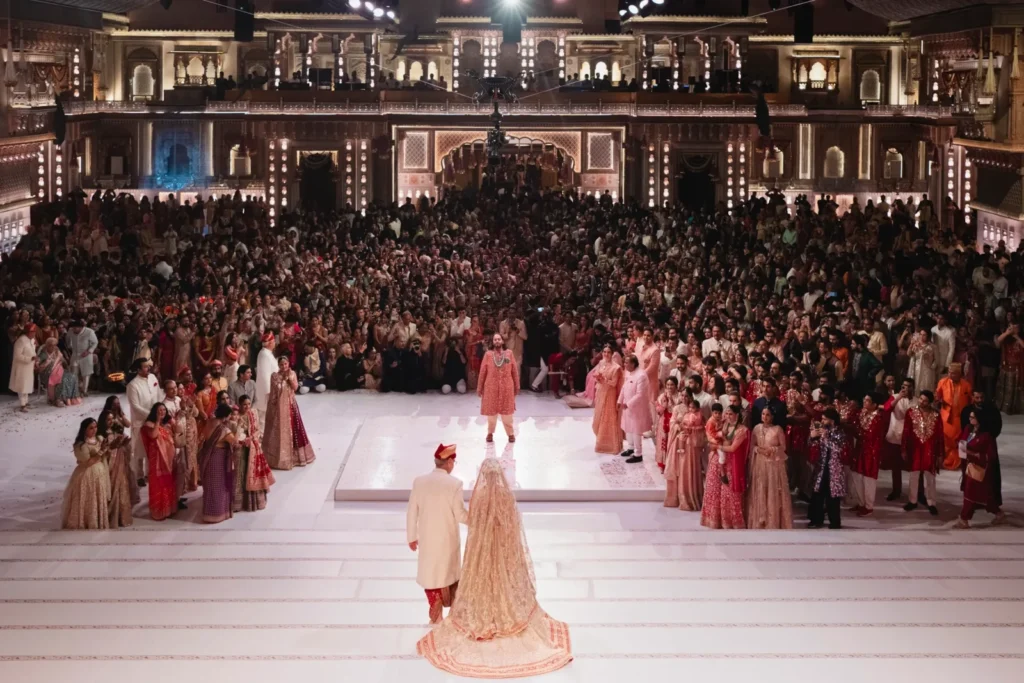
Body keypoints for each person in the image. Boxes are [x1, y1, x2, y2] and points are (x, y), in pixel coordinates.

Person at [416, 458, 572, 678]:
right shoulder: (506, 496)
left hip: (483, 555)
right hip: (502, 551)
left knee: (483, 582)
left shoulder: (479, 498)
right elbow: (513, 526)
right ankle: (506, 615)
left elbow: (475, 524)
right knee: (504, 584)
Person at [406, 444, 469, 624]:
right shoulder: (454, 484)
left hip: (427, 538)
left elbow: (412, 511)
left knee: (431, 574)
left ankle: (435, 612)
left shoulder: (419, 481)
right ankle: (451, 617)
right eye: (453, 461)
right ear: (449, 462)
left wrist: (412, 536)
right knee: (447, 574)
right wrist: (479, 519)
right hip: (447, 539)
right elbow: (460, 515)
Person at [262, 355, 316, 470]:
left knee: (295, 430)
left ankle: (297, 457)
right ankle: (279, 458)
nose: (283, 366)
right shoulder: (274, 376)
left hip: (290, 406)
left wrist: (289, 379)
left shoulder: (292, 374)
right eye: (281, 364)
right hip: (278, 408)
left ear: (288, 364)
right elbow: (273, 393)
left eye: (285, 364)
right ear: (278, 365)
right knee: (278, 431)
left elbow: (295, 387)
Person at [700, 405, 748, 529]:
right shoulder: (724, 425)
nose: (727, 416)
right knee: (713, 489)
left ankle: (730, 522)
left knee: (729, 493)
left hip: (732, 464)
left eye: (730, 414)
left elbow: (732, 448)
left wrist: (718, 447)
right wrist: (714, 445)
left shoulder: (742, 430)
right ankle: (714, 520)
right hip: (718, 461)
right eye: (726, 414)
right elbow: (712, 438)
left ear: (737, 415)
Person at [956, 409, 1006, 529]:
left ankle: (964, 519)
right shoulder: (968, 429)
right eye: (970, 417)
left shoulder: (987, 436)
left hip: (980, 469)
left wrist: (973, 454)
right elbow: (962, 441)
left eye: (972, 417)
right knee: (984, 495)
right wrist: (961, 448)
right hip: (968, 466)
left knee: (970, 494)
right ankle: (998, 513)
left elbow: (991, 456)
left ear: (979, 419)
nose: (970, 419)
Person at [60, 418, 112, 530]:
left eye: (95, 427)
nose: (94, 430)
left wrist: (109, 449)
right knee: (87, 499)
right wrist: (102, 450)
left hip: (100, 474)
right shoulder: (80, 445)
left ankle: (97, 522)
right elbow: (88, 462)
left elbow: (105, 456)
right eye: (91, 428)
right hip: (86, 475)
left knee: (96, 498)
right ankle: (84, 523)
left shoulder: (99, 439)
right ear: (84, 429)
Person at [747, 406, 792, 529]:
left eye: (767, 415)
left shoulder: (778, 430)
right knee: (760, 489)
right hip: (760, 463)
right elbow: (752, 446)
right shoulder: (756, 428)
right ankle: (759, 520)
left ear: (772, 417)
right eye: (763, 414)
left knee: (772, 490)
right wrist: (758, 450)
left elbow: (783, 447)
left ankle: (772, 521)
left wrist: (772, 449)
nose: (764, 417)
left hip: (773, 465)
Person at [901, 390, 943, 515]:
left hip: (930, 450)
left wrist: (940, 454)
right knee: (913, 476)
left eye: (925, 400)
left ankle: (931, 503)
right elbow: (906, 432)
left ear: (930, 402)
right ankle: (912, 501)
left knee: (930, 477)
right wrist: (903, 449)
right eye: (920, 399)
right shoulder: (911, 412)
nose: (922, 402)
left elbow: (940, 436)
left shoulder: (936, 415)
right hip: (914, 449)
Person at [232, 395, 275, 511]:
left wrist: (250, 439)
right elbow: (233, 434)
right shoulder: (235, 416)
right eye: (244, 404)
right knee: (240, 474)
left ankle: (253, 502)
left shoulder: (253, 414)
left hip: (252, 448)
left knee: (252, 474)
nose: (247, 407)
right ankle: (239, 503)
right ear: (239, 405)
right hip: (239, 449)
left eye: (248, 404)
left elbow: (257, 431)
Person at [197, 403, 238, 523]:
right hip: (217, 460)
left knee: (209, 486)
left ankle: (207, 513)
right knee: (218, 486)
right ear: (226, 416)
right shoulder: (224, 430)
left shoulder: (209, 422)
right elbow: (234, 442)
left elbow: (203, 437)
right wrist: (238, 429)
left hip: (207, 458)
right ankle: (217, 514)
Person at [849, 392, 888, 517]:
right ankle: (861, 503)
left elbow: (869, 434)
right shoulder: (861, 413)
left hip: (871, 451)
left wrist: (854, 428)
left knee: (868, 479)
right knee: (857, 476)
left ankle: (869, 506)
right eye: (864, 400)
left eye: (867, 401)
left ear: (875, 404)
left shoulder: (879, 418)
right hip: (860, 449)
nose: (864, 403)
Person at [126, 358, 164, 486]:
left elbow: (159, 394)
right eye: (145, 367)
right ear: (138, 369)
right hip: (140, 421)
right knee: (139, 450)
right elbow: (135, 406)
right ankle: (139, 475)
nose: (148, 369)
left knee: (153, 447)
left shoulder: (153, 378)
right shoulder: (132, 385)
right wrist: (151, 415)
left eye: (148, 366)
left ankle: (150, 473)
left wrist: (159, 411)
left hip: (154, 420)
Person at [808, 408, 848, 529]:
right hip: (821, 467)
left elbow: (839, 449)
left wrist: (826, 438)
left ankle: (835, 522)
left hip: (834, 469)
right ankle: (816, 519)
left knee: (833, 496)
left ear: (832, 420)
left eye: (825, 419)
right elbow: (812, 445)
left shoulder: (840, 433)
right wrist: (812, 437)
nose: (822, 420)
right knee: (817, 493)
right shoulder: (822, 430)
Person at [664, 397, 705, 511]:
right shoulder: (678, 408)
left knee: (690, 468)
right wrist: (678, 427)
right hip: (679, 440)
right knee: (679, 468)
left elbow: (701, 426)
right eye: (682, 395)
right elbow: (672, 422)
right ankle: (677, 497)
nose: (684, 398)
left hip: (692, 444)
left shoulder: (698, 414)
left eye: (687, 396)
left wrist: (691, 429)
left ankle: (691, 497)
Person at [477, 333, 519, 443]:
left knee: (507, 414)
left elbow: (514, 370)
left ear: (502, 341)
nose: (497, 341)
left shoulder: (509, 354)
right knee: (491, 414)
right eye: (495, 339)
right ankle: (490, 433)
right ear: (493, 342)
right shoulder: (488, 355)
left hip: (507, 387)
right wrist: (479, 388)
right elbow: (482, 372)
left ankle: (510, 434)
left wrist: (517, 386)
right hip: (491, 387)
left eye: (499, 339)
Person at [140, 402, 177, 521]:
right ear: (154, 412)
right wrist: (157, 421)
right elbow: (153, 436)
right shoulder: (149, 424)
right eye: (160, 411)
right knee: (158, 483)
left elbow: (177, 432)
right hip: (156, 459)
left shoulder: (164, 425)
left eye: (164, 410)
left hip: (166, 459)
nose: (162, 413)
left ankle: (168, 509)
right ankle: (158, 512)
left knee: (167, 483)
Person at [882, 378, 914, 502]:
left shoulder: (917, 400)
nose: (905, 388)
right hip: (896, 434)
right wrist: (899, 397)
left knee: (914, 467)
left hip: (911, 437)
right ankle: (896, 490)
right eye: (903, 386)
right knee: (896, 466)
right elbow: (886, 409)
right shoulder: (895, 397)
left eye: (908, 386)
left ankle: (917, 493)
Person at [936, 362, 972, 470]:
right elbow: (937, 397)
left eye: (954, 373)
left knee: (962, 439)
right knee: (946, 438)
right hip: (946, 416)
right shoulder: (942, 382)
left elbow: (970, 400)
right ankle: (945, 459)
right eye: (950, 373)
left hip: (961, 417)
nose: (951, 375)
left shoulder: (966, 385)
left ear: (959, 374)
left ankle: (962, 461)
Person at [617, 354, 653, 464]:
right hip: (627, 407)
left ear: (633, 364)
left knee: (636, 431)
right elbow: (624, 387)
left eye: (627, 362)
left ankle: (638, 454)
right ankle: (631, 448)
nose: (625, 364)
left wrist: (628, 404)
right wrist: (619, 400)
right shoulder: (628, 372)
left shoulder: (641, 375)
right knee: (628, 428)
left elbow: (640, 394)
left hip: (637, 408)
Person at [591, 344, 624, 454]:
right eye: (604, 352)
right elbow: (597, 377)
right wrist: (599, 379)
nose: (606, 354)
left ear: (612, 354)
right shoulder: (601, 363)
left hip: (610, 395)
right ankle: (601, 443)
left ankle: (611, 446)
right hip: (600, 393)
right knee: (599, 416)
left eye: (608, 352)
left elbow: (614, 383)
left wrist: (603, 379)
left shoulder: (616, 367)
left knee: (608, 418)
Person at [37, 337, 80, 407]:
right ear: (48, 346)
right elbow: (38, 363)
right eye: (51, 346)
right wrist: (44, 362)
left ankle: (67, 398)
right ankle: (58, 399)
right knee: (61, 379)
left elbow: (62, 359)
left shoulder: (56, 350)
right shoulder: (43, 353)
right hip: (47, 373)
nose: (53, 347)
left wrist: (66, 364)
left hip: (59, 370)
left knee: (72, 377)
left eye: (55, 345)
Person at [654, 376, 682, 470]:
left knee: (673, 442)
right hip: (664, 422)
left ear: (676, 385)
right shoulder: (662, 396)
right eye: (668, 385)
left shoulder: (680, 396)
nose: (670, 387)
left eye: (672, 385)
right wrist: (664, 405)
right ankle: (663, 464)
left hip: (676, 422)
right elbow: (658, 411)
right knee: (664, 441)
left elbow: (681, 409)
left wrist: (673, 401)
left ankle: (673, 464)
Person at [66, 319, 98, 397]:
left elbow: (95, 342)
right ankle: (75, 391)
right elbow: (67, 339)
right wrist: (70, 346)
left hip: (86, 355)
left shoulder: (89, 332)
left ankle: (84, 391)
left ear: (80, 327)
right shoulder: (70, 331)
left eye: (75, 328)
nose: (73, 330)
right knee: (73, 373)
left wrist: (89, 351)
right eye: (73, 328)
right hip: (75, 354)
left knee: (86, 373)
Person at [10, 323, 36, 413]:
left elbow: (33, 351)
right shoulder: (20, 341)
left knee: (27, 385)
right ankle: (22, 404)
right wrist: (30, 358)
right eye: (33, 332)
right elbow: (17, 356)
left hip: (29, 366)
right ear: (28, 332)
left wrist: (35, 359)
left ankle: (26, 402)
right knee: (21, 386)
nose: (34, 334)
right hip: (21, 366)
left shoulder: (32, 340)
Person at [254, 332, 277, 428]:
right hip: (266, 391)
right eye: (274, 341)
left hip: (272, 387)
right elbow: (264, 375)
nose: (275, 343)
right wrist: (268, 391)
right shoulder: (264, 354)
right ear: (270, 343)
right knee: (263, 414)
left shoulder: (267, 353)